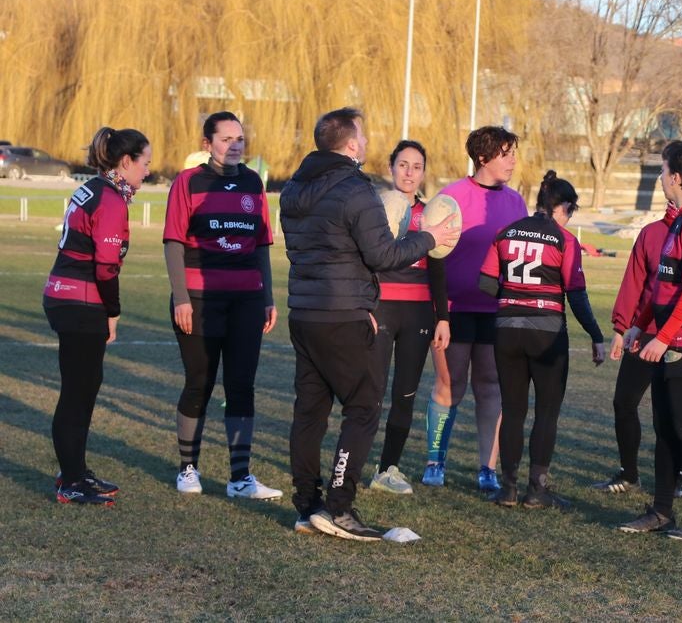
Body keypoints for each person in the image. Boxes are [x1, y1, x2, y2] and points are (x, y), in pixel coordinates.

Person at [280, 108, 459, 541]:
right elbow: (383, 256)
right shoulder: (356, 189)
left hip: (303, 314)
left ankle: (307, 506)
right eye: (362, 133)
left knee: (310, 412)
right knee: (362, 409)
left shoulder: (293, 188)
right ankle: (339, 507)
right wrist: (430, 237)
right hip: (344, 316)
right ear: (352, 145)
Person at [163, 111, 282, 500]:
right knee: (200, 382)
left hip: (246, 299)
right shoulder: (189, 182)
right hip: (198, 299)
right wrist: (181, 297)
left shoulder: (253, 182)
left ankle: (240, 477)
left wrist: (266, 297)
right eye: (226, 139)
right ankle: (188, 469)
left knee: (241, 385)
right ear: (207, 144)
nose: (234, 146)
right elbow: (174, 242)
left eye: (240, 139)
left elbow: (262, 244)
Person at [593, 199, 682, 496]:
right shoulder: (651, 233)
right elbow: (635, 282)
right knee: (624, 402)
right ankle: (629, 473)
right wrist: (623, 327)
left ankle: (678, 479)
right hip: (646, 334)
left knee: (678, 417)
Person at [617, 141, 682, 542]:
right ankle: (662, 510)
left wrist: (661, 339)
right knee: (665, 428)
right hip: (665, 339)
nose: (661, 177)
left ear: (676, 178)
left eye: (662, 171)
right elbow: (660, 287)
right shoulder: (679, 220)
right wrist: (639, 326)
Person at [480, 171, 606, 508]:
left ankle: (507, 488)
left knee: (513, 410)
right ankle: (536, 490)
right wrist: (596, 335)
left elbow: (487, 284)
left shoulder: (504, 233)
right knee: (546, 412)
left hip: (506, 330)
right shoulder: (564, 240)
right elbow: (577, 296)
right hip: (547, 333)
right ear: (563, 207)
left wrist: (514, 297)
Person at [45, 127, 151, 506]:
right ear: (126, 162)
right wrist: (113, 312)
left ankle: (74, 469)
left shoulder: (94, 187)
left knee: (84, 386)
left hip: (65, 296)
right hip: (81, 301)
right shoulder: (110, 199)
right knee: (78, 391)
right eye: (145, 163)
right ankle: (71, 480)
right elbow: (106, 267)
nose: (148, 172)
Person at [422, 126, 528, 492]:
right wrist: (441, 315)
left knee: (491, 386)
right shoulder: (451, 197)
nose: (512, 160)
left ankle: (488, 468)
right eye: (505, 153)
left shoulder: (516, 202)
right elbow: (434, 259)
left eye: (513, 153)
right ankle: (435, 459)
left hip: (496, 311)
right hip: (453, 311)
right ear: (483, 157)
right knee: (450, 384)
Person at [367, 139, 450, 494]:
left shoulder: (432, 214)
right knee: (369, 391)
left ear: (423, 172)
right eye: (403, 164)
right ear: (391, 167)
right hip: (380, 307)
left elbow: (438, 270)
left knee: (405, 394)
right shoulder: (372, 209)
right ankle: (352, 462)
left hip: (418, 311)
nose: (409, 172)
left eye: (416, 166)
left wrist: (442, 317)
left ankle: (388, 469)